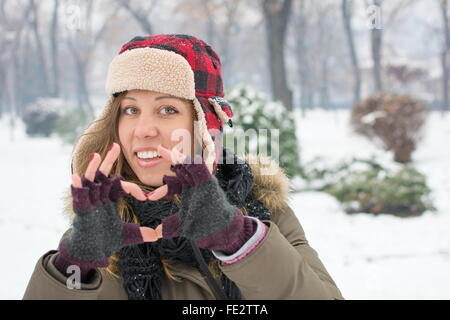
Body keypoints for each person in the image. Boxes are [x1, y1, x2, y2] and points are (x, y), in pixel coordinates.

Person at [22, 34, 344, 300]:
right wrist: (72, 266)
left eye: (167, 109)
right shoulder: (102, 225)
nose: (143, 129)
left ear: (204, 127)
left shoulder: (264, 211)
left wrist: (238, 240)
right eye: (130, 109)